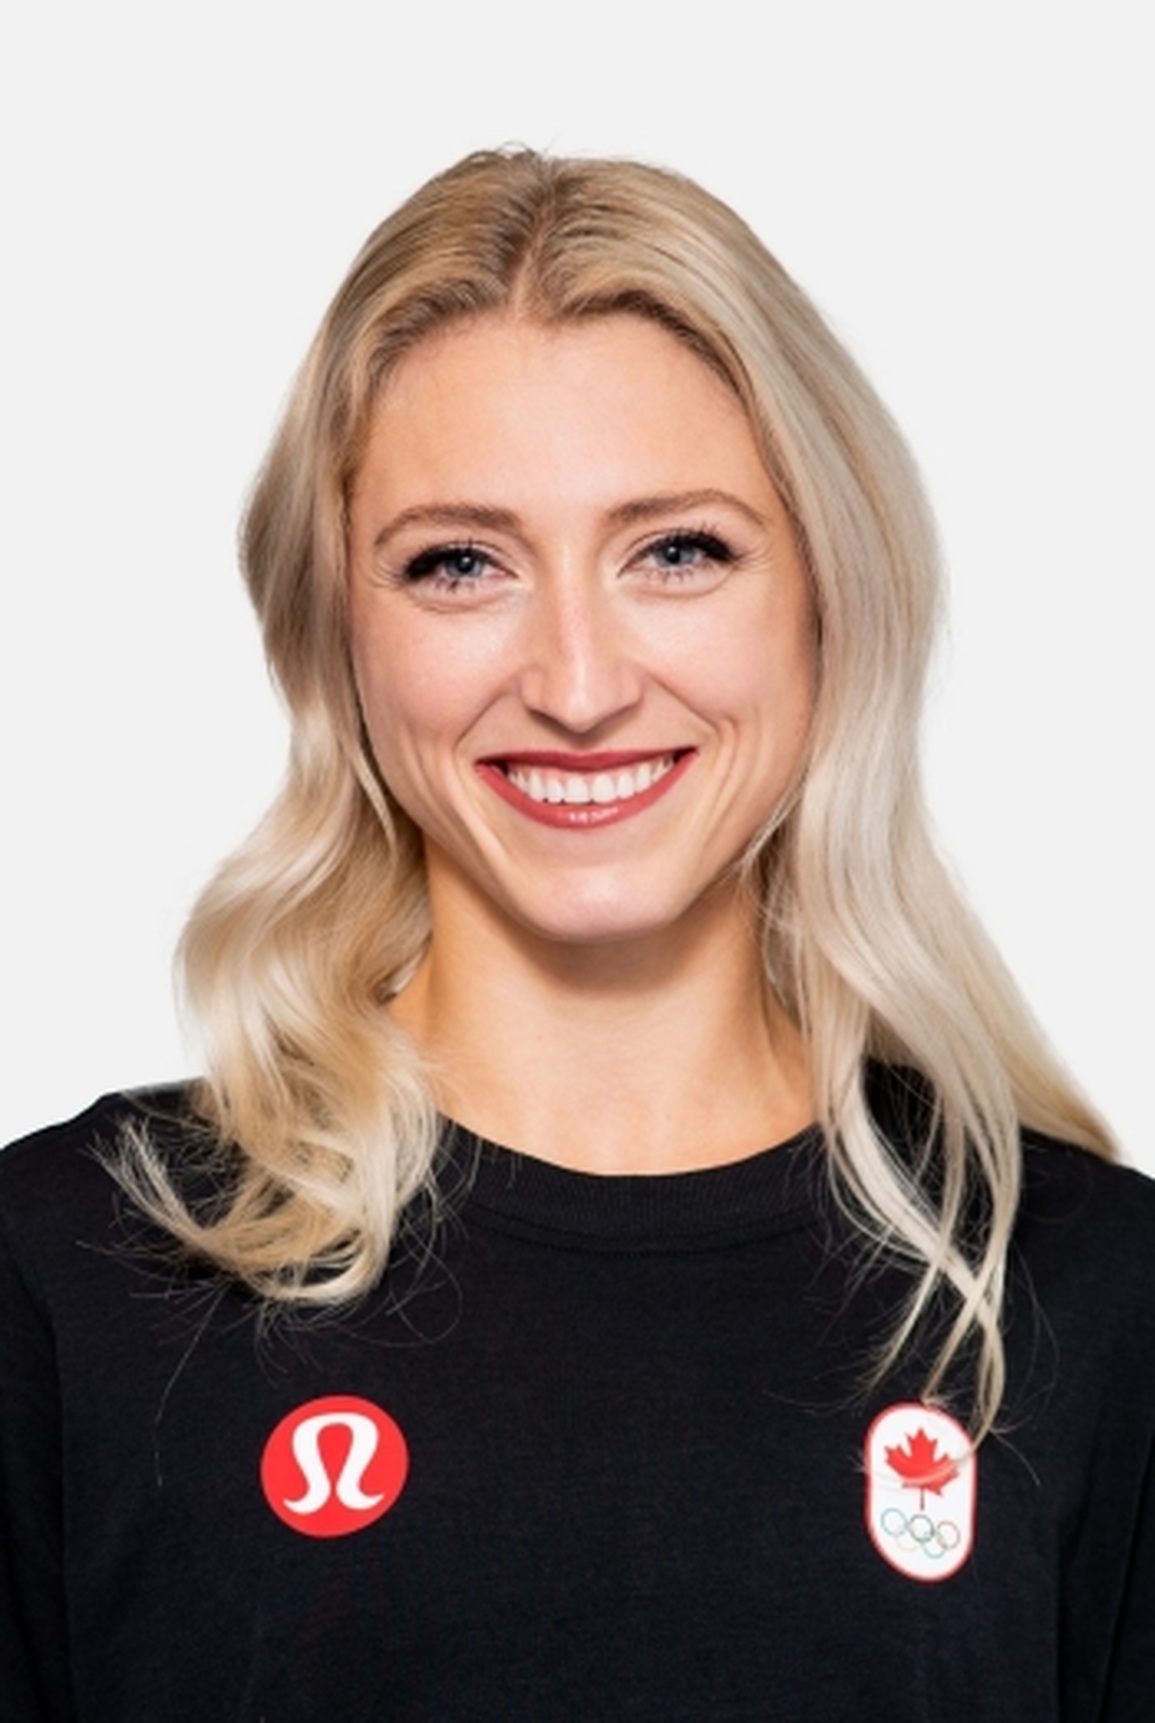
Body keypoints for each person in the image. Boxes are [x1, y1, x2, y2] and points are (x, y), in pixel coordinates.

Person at [1, 149, 1152, 1721]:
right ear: (337, 638)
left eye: (678, 551)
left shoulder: (1100, 1307)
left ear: (829, 597)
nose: (580, 683)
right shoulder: (65, 1286)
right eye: (459, 564)